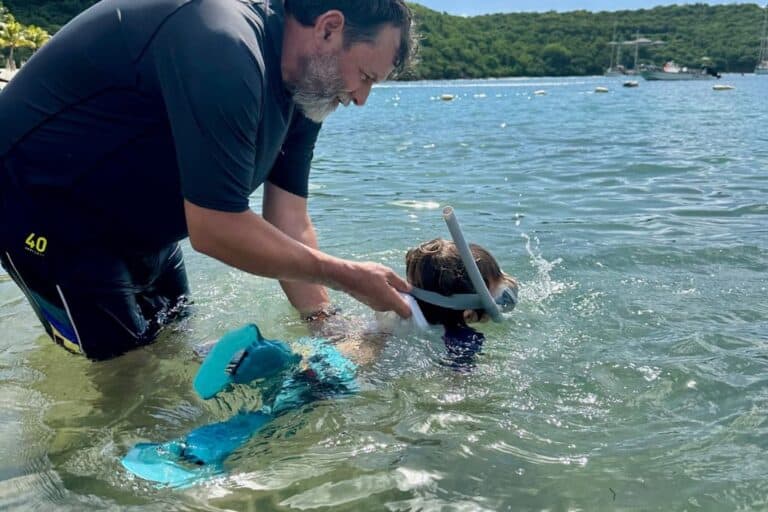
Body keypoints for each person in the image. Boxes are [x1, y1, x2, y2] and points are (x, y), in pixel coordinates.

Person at [0, 0, 416, 360]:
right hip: (46, 208)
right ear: (328, 29)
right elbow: (215, 229)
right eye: (365, 76)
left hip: (140, 225)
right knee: (126, 379)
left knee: (173, 350)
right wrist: (347, 276)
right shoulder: (224, 43)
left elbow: (288, 220)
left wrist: (326, 324)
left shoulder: (307, 90)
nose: (361, 99)